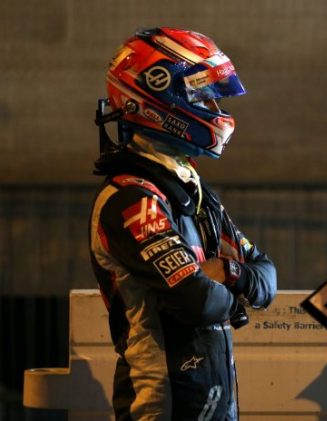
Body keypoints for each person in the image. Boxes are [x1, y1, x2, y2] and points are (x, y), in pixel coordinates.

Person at [89, 27, 277, 420]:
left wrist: (228, 272)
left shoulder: (192, 189)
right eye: (203, 95)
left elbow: (266, 277)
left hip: (212, 399)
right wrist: (234, 298)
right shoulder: (132, 198)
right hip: (159, 405)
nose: (215, 107)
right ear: (160, 97)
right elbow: (199, 301)